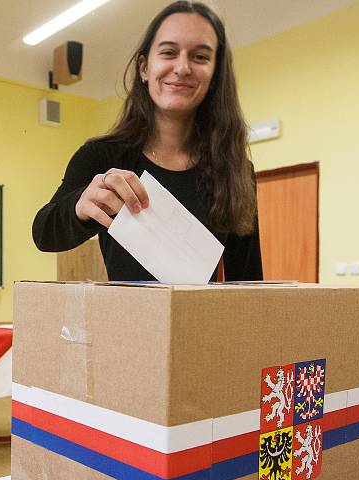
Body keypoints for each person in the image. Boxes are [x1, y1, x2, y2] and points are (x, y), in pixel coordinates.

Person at [33, 1, 262, 282]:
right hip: (126, 322)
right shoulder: (102, 157)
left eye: (200, 57)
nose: (182, 67)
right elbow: (43, 233)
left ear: (215, 76)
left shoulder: (235, 170)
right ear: (144, 67)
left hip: (202, 324)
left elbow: (248, 279)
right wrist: (80, 206)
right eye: (168, 52)